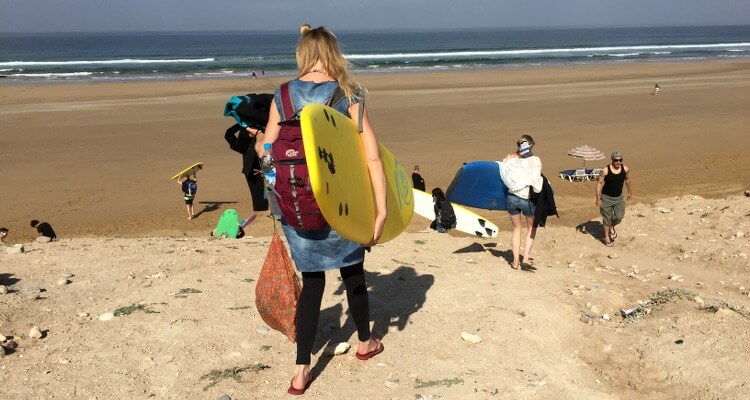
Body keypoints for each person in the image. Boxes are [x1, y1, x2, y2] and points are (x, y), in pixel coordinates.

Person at [254, 24, 386, 396]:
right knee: (354, 276)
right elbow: (371, 156)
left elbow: (267, 150)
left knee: (312, 284)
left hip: (296, 204)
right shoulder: (347, 93)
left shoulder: (283, 94)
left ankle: (301, 372)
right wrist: (380, 210)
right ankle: (365, 343)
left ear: (303, 53)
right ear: (333, 52)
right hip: (341, 202)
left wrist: (266, 149)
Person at [499, 134, 543, 270]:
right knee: (531, 227)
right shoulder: (534, 160)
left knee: (517, 228)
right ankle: (525, 259)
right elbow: (536, 181)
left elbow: (502, 173)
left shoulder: (508, 159)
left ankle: (515, 261)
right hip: (526, 199)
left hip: (511, 197)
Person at [596, 151, 632, 247]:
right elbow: (599, 184)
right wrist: (598, 198)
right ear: (612, 160)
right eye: (616, 160)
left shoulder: (625, 169)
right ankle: (607, 237)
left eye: (620, 160)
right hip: (606, 198)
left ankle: (612, 226)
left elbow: (627, 180)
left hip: (619, 198)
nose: (618, 162)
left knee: (619, 216)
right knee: (606, 218)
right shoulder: (605, 170)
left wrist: (629, 191)